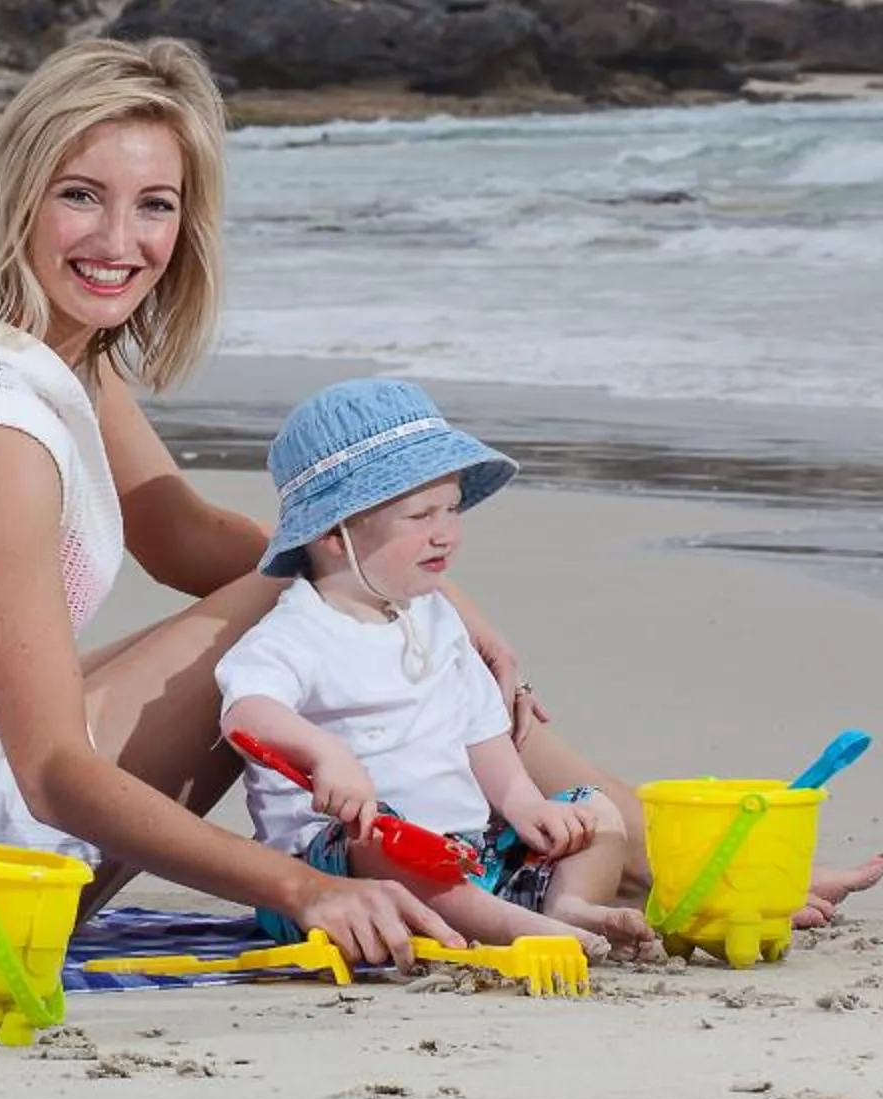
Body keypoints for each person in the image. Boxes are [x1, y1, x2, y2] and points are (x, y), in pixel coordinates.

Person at [0, 36, 883, 955]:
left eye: (154, 204)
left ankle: (640, 845)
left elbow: (183, 534)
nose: (121, 243)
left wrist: (448, 608)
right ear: (18, 190)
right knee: (300, 600)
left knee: (330, 587)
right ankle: (652, 850)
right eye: (80, 196)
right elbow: (57, 771)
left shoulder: (11, 322)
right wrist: (306, 891)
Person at [217, 379, 655, 962]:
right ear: (332, 535)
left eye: (451, 508)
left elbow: (479, 725)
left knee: (594, 812)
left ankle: (564, 909)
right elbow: (245, 708)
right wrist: (325, 753)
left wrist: (525, 804)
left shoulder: (435, 617)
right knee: (383, 842)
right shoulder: (299, 631)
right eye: (419, 515)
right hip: (337, 873)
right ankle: (515, 930)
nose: (445, 531)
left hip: (466, 858)